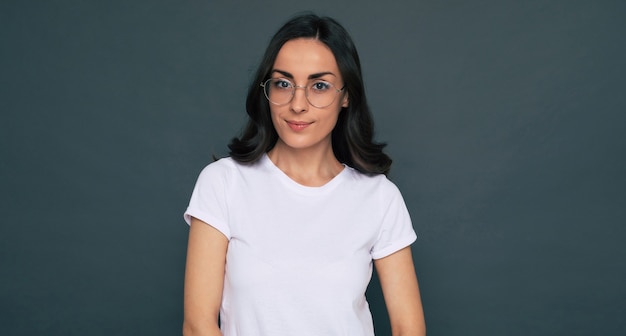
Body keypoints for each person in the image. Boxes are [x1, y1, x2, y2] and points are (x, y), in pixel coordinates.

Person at [182, 13, 425, 336]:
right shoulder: (223, 183)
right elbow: (198, 326)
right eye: (283, 83)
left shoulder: (379, 197)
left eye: (319, 86)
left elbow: (409, 328)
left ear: (346, 95)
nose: (298, 104)